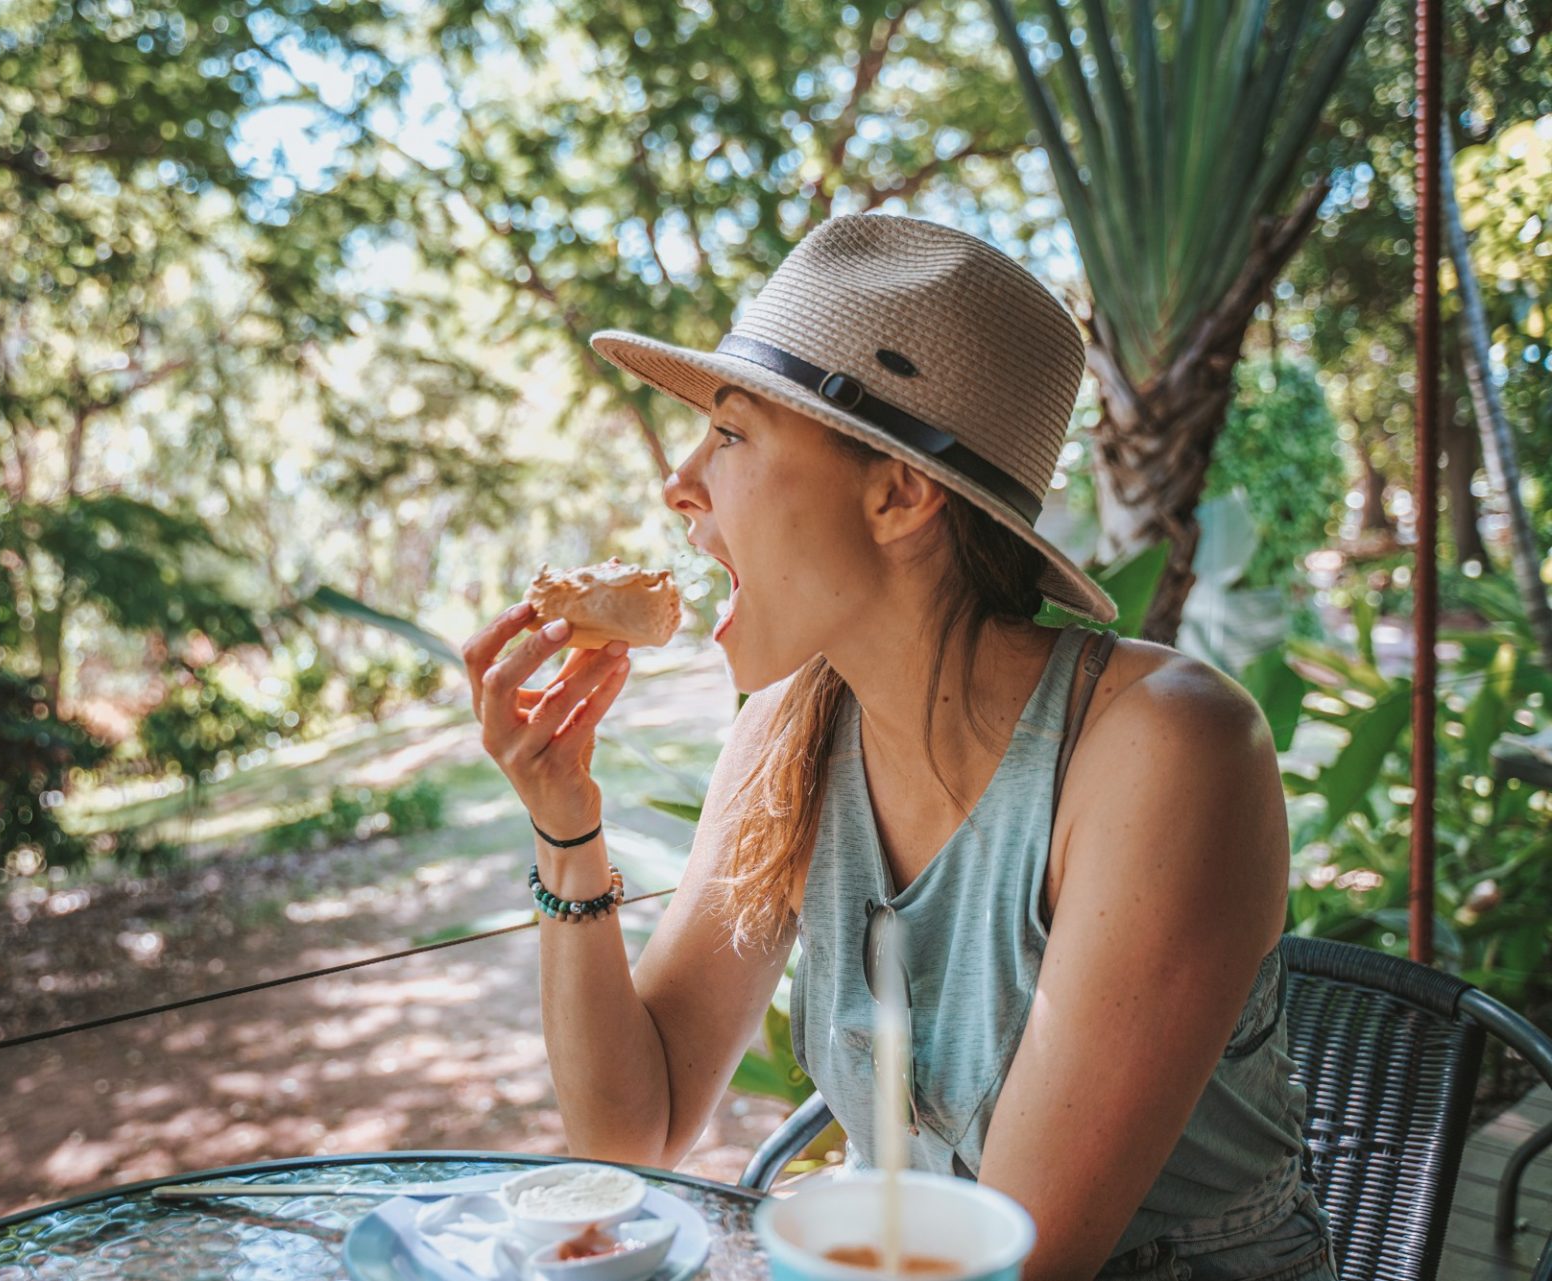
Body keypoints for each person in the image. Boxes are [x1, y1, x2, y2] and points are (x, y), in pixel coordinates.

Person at [461, 215, 1336, 1281]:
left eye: (730, 435)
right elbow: (629, 1134)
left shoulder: (1166, 749)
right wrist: (565, 823)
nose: (677, 482)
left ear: (898, 491)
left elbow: (1013, 1262)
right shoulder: (791, 727)